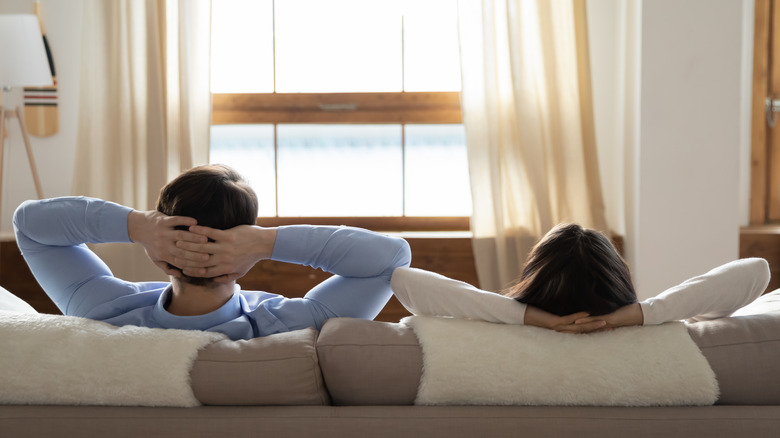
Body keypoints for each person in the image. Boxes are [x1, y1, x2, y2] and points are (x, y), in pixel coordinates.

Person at [13, 164, 411, 340]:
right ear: (242, 236)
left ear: (159, 247)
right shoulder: (294, 326)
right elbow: (391, 257)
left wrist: (138, 226)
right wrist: (265, 242)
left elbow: (29, 226)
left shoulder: (103, 310)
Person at [389, 223, 770, 333]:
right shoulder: (655, 332)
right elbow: (757, 272)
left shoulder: (511, 332)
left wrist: (532, 318)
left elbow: (405, 281)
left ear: (533, 281)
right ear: (618, 280)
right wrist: (635, 315)